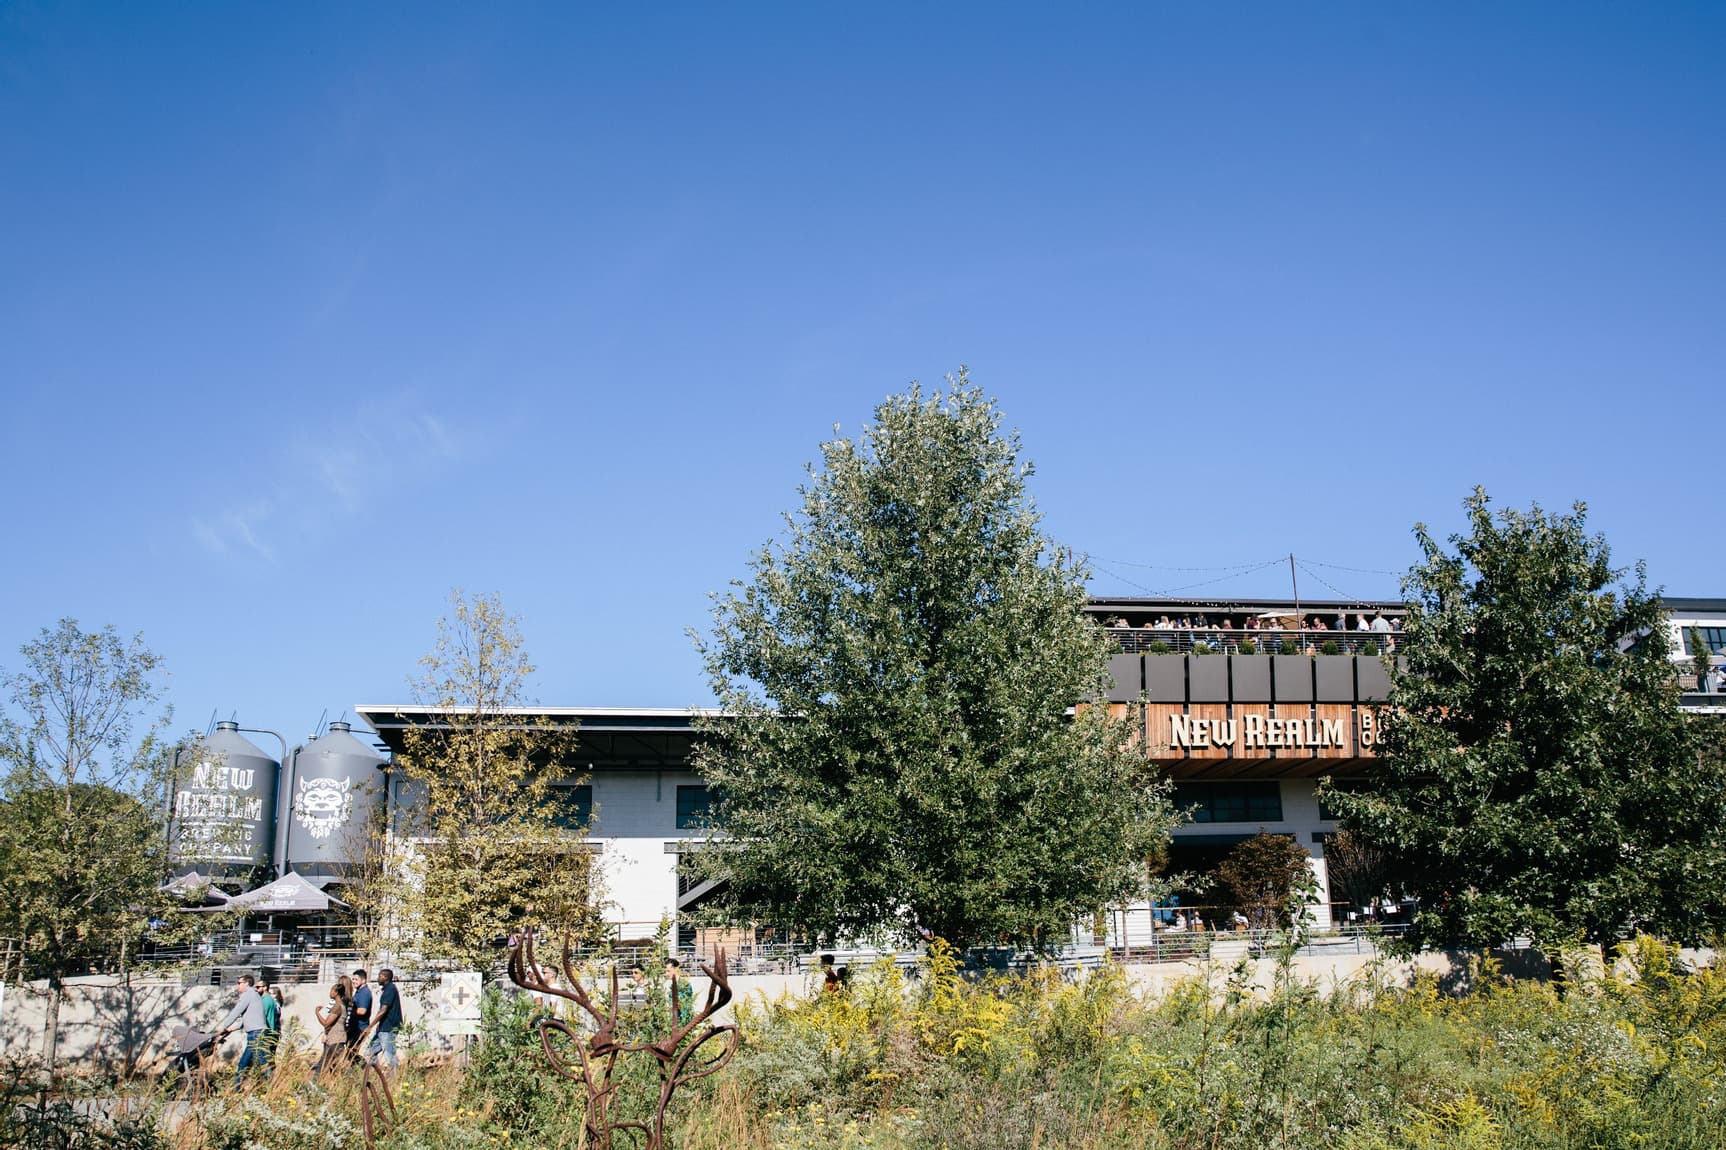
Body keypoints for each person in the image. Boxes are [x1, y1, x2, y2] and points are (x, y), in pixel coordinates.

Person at [215, 974, 267, 1085]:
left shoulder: (248, 994)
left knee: (262, 1063)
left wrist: (224, 1026)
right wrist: (230, 1029)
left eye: (239, 983)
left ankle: (272, 1087)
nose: (237, 985)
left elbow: (236, 1011)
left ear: (246, 983)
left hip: (256, 1033)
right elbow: (247, 1018)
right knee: (247, 1063)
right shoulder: (254, 995)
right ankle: (237, 1087)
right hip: (255, 1032)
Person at [315, 976, 353, 1075]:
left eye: (332, 990)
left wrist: (317, 1013)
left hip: (335, 1040)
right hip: (336, 1039)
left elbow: (326, 1023)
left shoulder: (337, 1006)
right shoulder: (342, 1004)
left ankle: (313, 1085)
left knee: (323, 1065)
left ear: (336, 993)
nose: (330, 992)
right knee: (334, 1066)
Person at [369, 967, 403, 1070]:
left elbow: (384, 1010)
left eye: (380, 976)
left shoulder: (390, 989)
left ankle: (393, 1080)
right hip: (383, 1028)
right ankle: (374, 1075)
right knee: (370, 1053)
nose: (377, 978)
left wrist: (370, 1026)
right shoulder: (387, 989)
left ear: (386, 977)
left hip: (389, 1028)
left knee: (390, 1055)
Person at [257, 980, 281, 1072]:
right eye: (270, 993)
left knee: (268, 1056)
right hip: (274, 1031)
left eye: (273, 994)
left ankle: (269, 1075)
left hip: (272, 1032)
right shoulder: (272, 1003)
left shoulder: (275, 1004)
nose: (270, 995)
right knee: (269, 1056)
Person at [348, 968, 371, 1062]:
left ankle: (364, 1068)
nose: (353, 981)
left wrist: (349, 1011)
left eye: (356, 979)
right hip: (356, 1027)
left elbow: (362, 1011)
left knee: (352, 1052)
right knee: (351, 1052)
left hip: (360, 1028)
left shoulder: (364, 993)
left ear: (363, 980)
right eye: (353, 979)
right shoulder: (358, 992)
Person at [665, 957, 693, 1024]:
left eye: (668, 971)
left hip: (682, 1022)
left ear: (675, 969)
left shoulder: (684, 985)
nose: (666, 974)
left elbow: (685, 1006)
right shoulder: (672, 985)